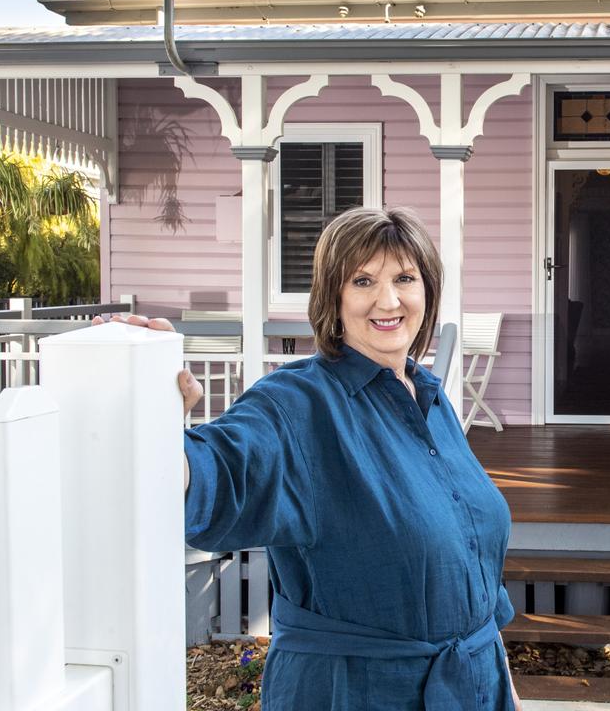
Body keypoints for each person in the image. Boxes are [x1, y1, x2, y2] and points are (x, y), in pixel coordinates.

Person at [99, 207, 520, 710]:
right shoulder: (295, 404)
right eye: (363, 281)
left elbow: (475, 581)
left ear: (426, 291)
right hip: (354, 693)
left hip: (474, 688)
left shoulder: (429, 397)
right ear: (333, 298)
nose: (388, 300)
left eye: (405, 278)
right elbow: (219, 475)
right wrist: (152, 416)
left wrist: (504, 689)